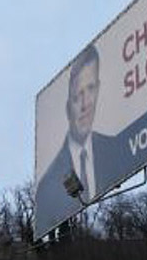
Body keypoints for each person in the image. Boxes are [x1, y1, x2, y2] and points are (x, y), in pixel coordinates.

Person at [34, 44, 101, 237]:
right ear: (67, 106)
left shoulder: (116, 148)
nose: (85, 104)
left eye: (90, 89)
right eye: (77, 96)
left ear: (99, 90)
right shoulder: (47, 184)